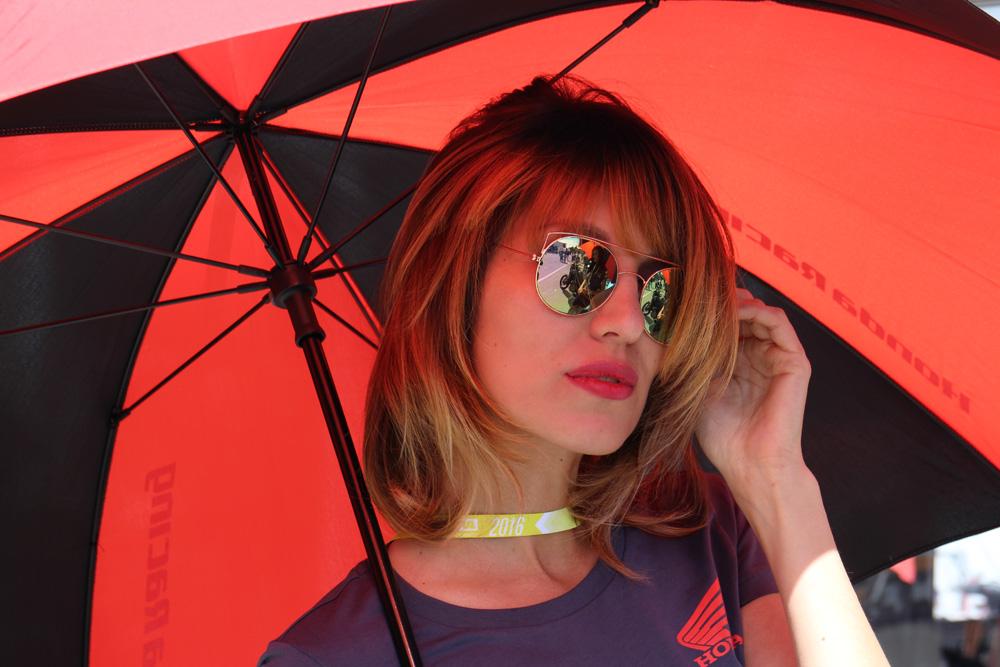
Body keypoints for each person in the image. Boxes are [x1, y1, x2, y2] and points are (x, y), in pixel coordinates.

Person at [258, 75, 889, 666]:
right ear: (457, 285)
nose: (630, 322)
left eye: (659, 290)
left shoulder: (708, 530)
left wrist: (775, 478)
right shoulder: (337, 655)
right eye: (577, 266)